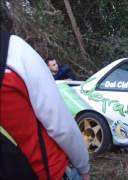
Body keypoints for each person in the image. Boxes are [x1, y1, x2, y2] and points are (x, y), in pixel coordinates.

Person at [0, 33, 90, 180]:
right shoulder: (12, 51)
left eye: (56, 64)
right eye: (52, 65)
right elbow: (61, 125)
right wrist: (84, 166)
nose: (55, 66)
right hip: (47, 171)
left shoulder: (65, 71)